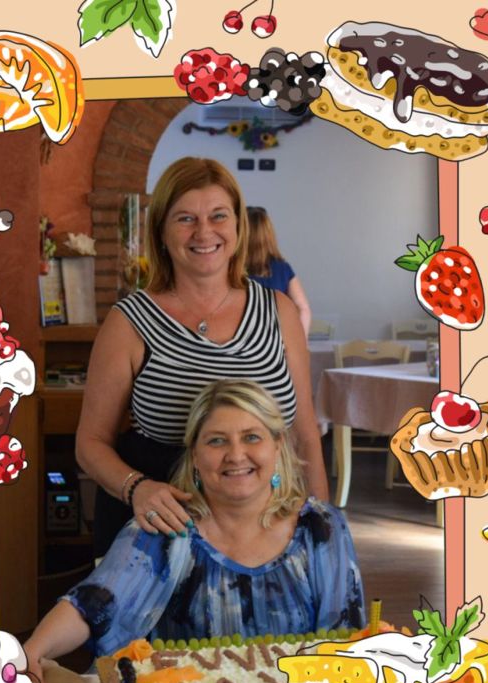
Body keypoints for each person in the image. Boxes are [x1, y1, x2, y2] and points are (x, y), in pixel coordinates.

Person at [25, 380, 364, 681]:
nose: (236, 455)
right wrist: (33, 651)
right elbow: (93, 603)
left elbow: (344, 642)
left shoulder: (322, 528)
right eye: (217, 441)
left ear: (277, 446)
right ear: (196, 457)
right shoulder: (166, 526)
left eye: (252, 437)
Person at [76, 156, 328, 558]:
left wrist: (323, 529)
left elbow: (304, 433)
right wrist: (137, 488)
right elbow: (90, 443)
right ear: (161, 231)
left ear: (238, 226)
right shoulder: (129, 322)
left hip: (265, 530)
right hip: (161, 535)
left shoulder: (279, 311)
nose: (204, 232)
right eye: (185, 219)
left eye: (218, 216)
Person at [246, 206, 312, 336]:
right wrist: (301, 342)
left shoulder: (230, 270)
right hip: (277, 342)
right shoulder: (282, 269)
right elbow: (303, 309)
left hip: (243, 343)